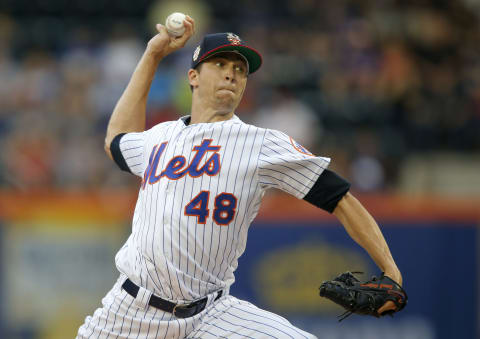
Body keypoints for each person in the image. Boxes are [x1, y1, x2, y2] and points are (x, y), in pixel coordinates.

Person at [77, 16, 403, 339]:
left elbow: (340, 198)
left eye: (240, 69)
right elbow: (116, 139)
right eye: (220, 64)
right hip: (128, 313)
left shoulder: (262, 144)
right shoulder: (158, 138)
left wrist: (391, 271)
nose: (232, 74)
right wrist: (152, 55)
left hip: (211, 316)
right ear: (193, 76)